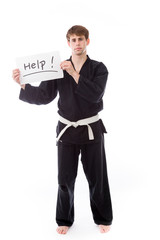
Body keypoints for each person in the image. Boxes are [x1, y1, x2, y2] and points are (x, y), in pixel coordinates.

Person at [12, 25, 113, 235]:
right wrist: (22, 85)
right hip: (66, 130)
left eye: (81, 39)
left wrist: (74, 73)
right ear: (68, 43)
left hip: (91, 129)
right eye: (73, 40)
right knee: (65, 178)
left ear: (87, 42)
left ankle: (103, 217)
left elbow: (95, 95)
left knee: (97, 177)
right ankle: (64, 219)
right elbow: (44, 96)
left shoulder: (99, 68)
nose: (77, 43)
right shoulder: (58, 68)